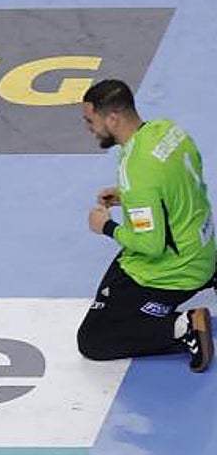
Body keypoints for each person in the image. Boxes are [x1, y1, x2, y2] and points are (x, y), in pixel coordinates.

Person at [78, 79, 214, 372]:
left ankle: (183, 327)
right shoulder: (167, 131)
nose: (89, 127)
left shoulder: (136, 170)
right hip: (203, 248)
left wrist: (106, 227)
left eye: (91, 120)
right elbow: (183, 181)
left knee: (93, 338)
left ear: (112, 118)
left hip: (175, 271)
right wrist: (128, 196)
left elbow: (151, 246)